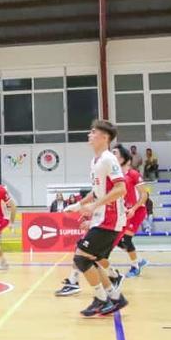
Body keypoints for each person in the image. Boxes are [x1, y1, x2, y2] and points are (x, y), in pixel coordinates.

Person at [58, 121, 128, 316]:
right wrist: (79, 205)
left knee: (81, 258)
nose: (89, 134)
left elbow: (121, 189)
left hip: (110, 219)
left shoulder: (109, 159)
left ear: (105, 138)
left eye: (93, 132)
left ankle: (100, 299)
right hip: (101, 218)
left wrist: (94, 206)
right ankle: (115, 298)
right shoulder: (96, 161)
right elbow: (97, 191)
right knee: (92, 260)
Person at [111, 144, 150, 278]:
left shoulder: (133, 174)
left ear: (123, 158)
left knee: (126, 239)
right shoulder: (115, 175)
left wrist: (134, 208)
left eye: (115, 153)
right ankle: (138, 260)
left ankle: (135, 267)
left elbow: (144, 195)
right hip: (123, 211)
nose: (111, 155)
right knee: (116, 240)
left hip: (137, 210)